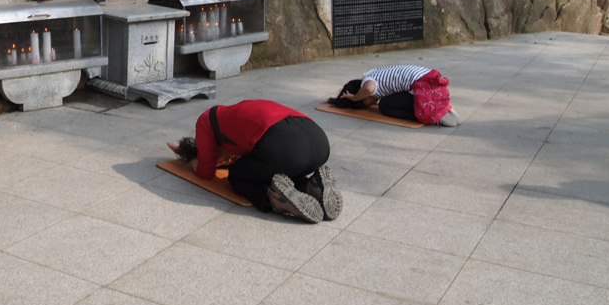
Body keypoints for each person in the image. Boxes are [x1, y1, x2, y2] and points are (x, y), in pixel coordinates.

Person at [168, 100, 342, 223]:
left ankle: (276, 200)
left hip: (287, 146)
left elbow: (205, 172)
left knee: (237, 176)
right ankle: (311, 186)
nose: (227, 161)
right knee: (268, 168)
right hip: (319, 142)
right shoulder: (234, 114)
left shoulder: (206, 121)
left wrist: (191, 160)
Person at [329, 64, 461, 126]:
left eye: (364, 104)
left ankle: (432, 113)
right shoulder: (376, 75)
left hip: (423, 86)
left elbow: (369, 89)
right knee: (389, 100)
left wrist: (354, 97)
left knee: (385, 105)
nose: (369, 105)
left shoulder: (368, 80)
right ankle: (440, 106)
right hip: (430, 82)